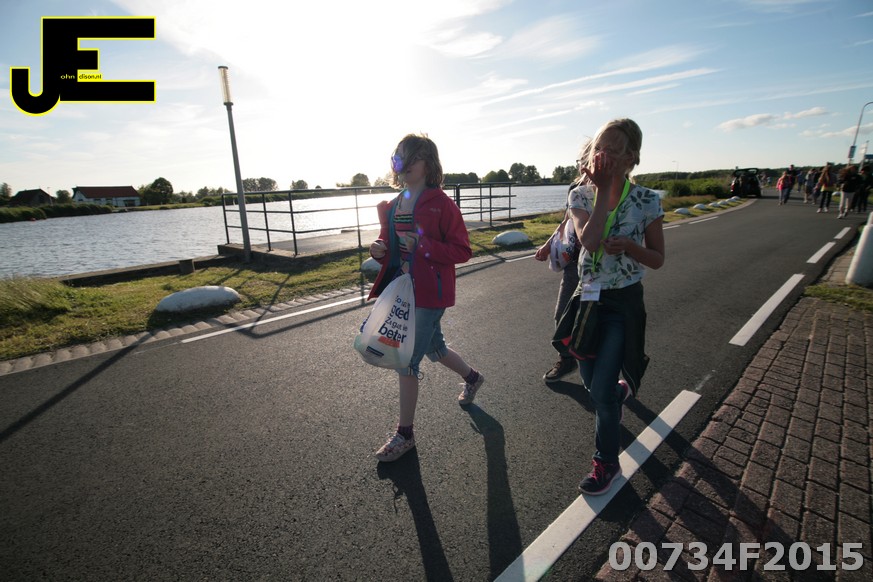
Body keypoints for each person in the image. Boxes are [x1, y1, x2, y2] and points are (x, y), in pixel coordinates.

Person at [367, 133, 484, 463]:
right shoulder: (394, 205)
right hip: (403, 292)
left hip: (430, 293)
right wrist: (378, 249)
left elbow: (462, 250)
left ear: (428, 163)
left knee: (405, 361)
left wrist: (424, 247)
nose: (404, 164)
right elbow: (388, 244)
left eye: (411, 157)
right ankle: (473, 378)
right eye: (399, 158)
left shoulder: (442, 204)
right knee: (436, 350)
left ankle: (405, 434)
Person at [564, 118, 665, 495]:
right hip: (588, 298)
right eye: (599, 148)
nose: (602, 155)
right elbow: (589, 242)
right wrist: (604, 191)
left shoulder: (647, 200)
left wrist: (633, 248)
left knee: (601, 390)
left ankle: (606, 462)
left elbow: (657, 259)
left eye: (613, 149)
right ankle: (618, 394)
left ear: (631, 158)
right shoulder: (580, 195)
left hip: (623, 302)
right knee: (592, 384)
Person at [535, 140, 591, 383]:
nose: (582, 165)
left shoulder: (611, 189)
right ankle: (567, 359)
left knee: (595, 321)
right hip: (573, 265)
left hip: (600, 268)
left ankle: (597, 371)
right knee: (562, 316)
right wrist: (548, 245)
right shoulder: (575, 188)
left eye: (586, 160)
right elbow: (566, 222)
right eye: (581, 161)